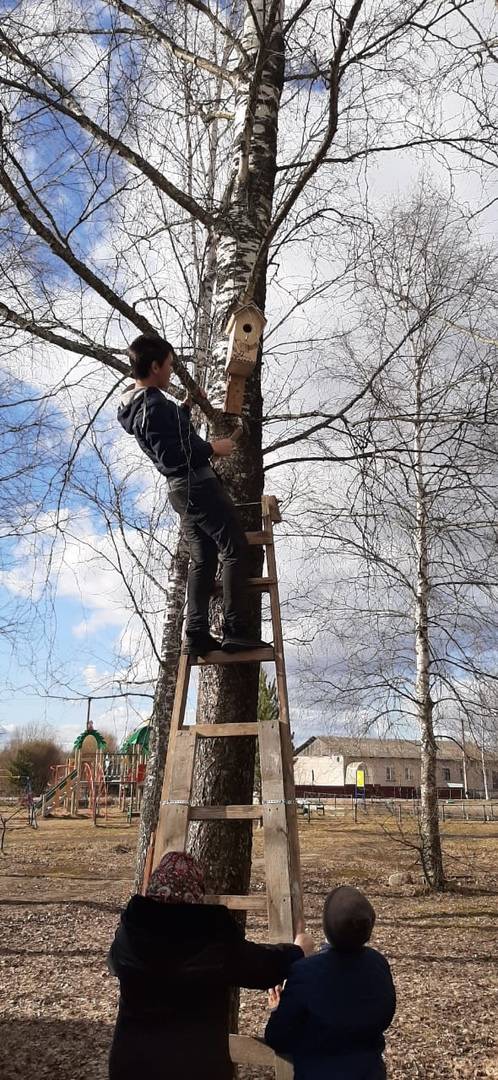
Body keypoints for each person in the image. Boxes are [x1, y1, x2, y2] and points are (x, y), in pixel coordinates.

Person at [117, 333, 265, 657]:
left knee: (204, 556)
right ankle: (235, 630)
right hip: (195, 484)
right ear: (154, 366)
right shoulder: (152, 404)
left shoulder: (143, 405)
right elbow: (174, 453)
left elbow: (170, 435)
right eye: (168, 365)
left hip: (182, 490)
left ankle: (196, 633)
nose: (171, 371)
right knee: (235, 546)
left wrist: (184, 406)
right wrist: (214, 448)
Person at [108, 851, 312, 1080]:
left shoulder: (129, 933)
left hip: (132, 1066)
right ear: (196, 892)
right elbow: (261, 966)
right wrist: (298, 951)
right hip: (194, 1068)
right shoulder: (211, 938)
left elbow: (114, 963)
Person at [265, 885, 396, 1080]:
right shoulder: (378, 963)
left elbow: (278, 1038)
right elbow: (384, 1014)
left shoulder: (305, 972)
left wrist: (278, 1010)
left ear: (327, 925)